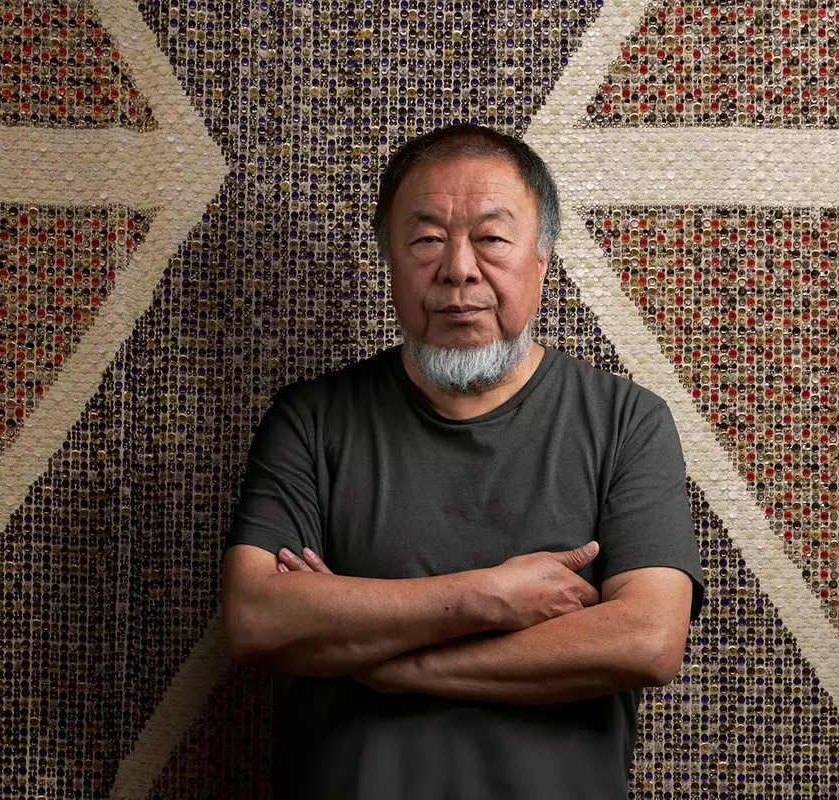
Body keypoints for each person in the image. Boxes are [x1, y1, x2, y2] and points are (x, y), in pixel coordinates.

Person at [220, 122, 705, 800]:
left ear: (542, 258)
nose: (458, 268)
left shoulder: (628, 420)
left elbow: (647, 639)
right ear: (390, 257)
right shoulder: (312, 420)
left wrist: (394, 662)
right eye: (425, 240)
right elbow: (256, 618)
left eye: (492, 238)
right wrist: (491, 597)